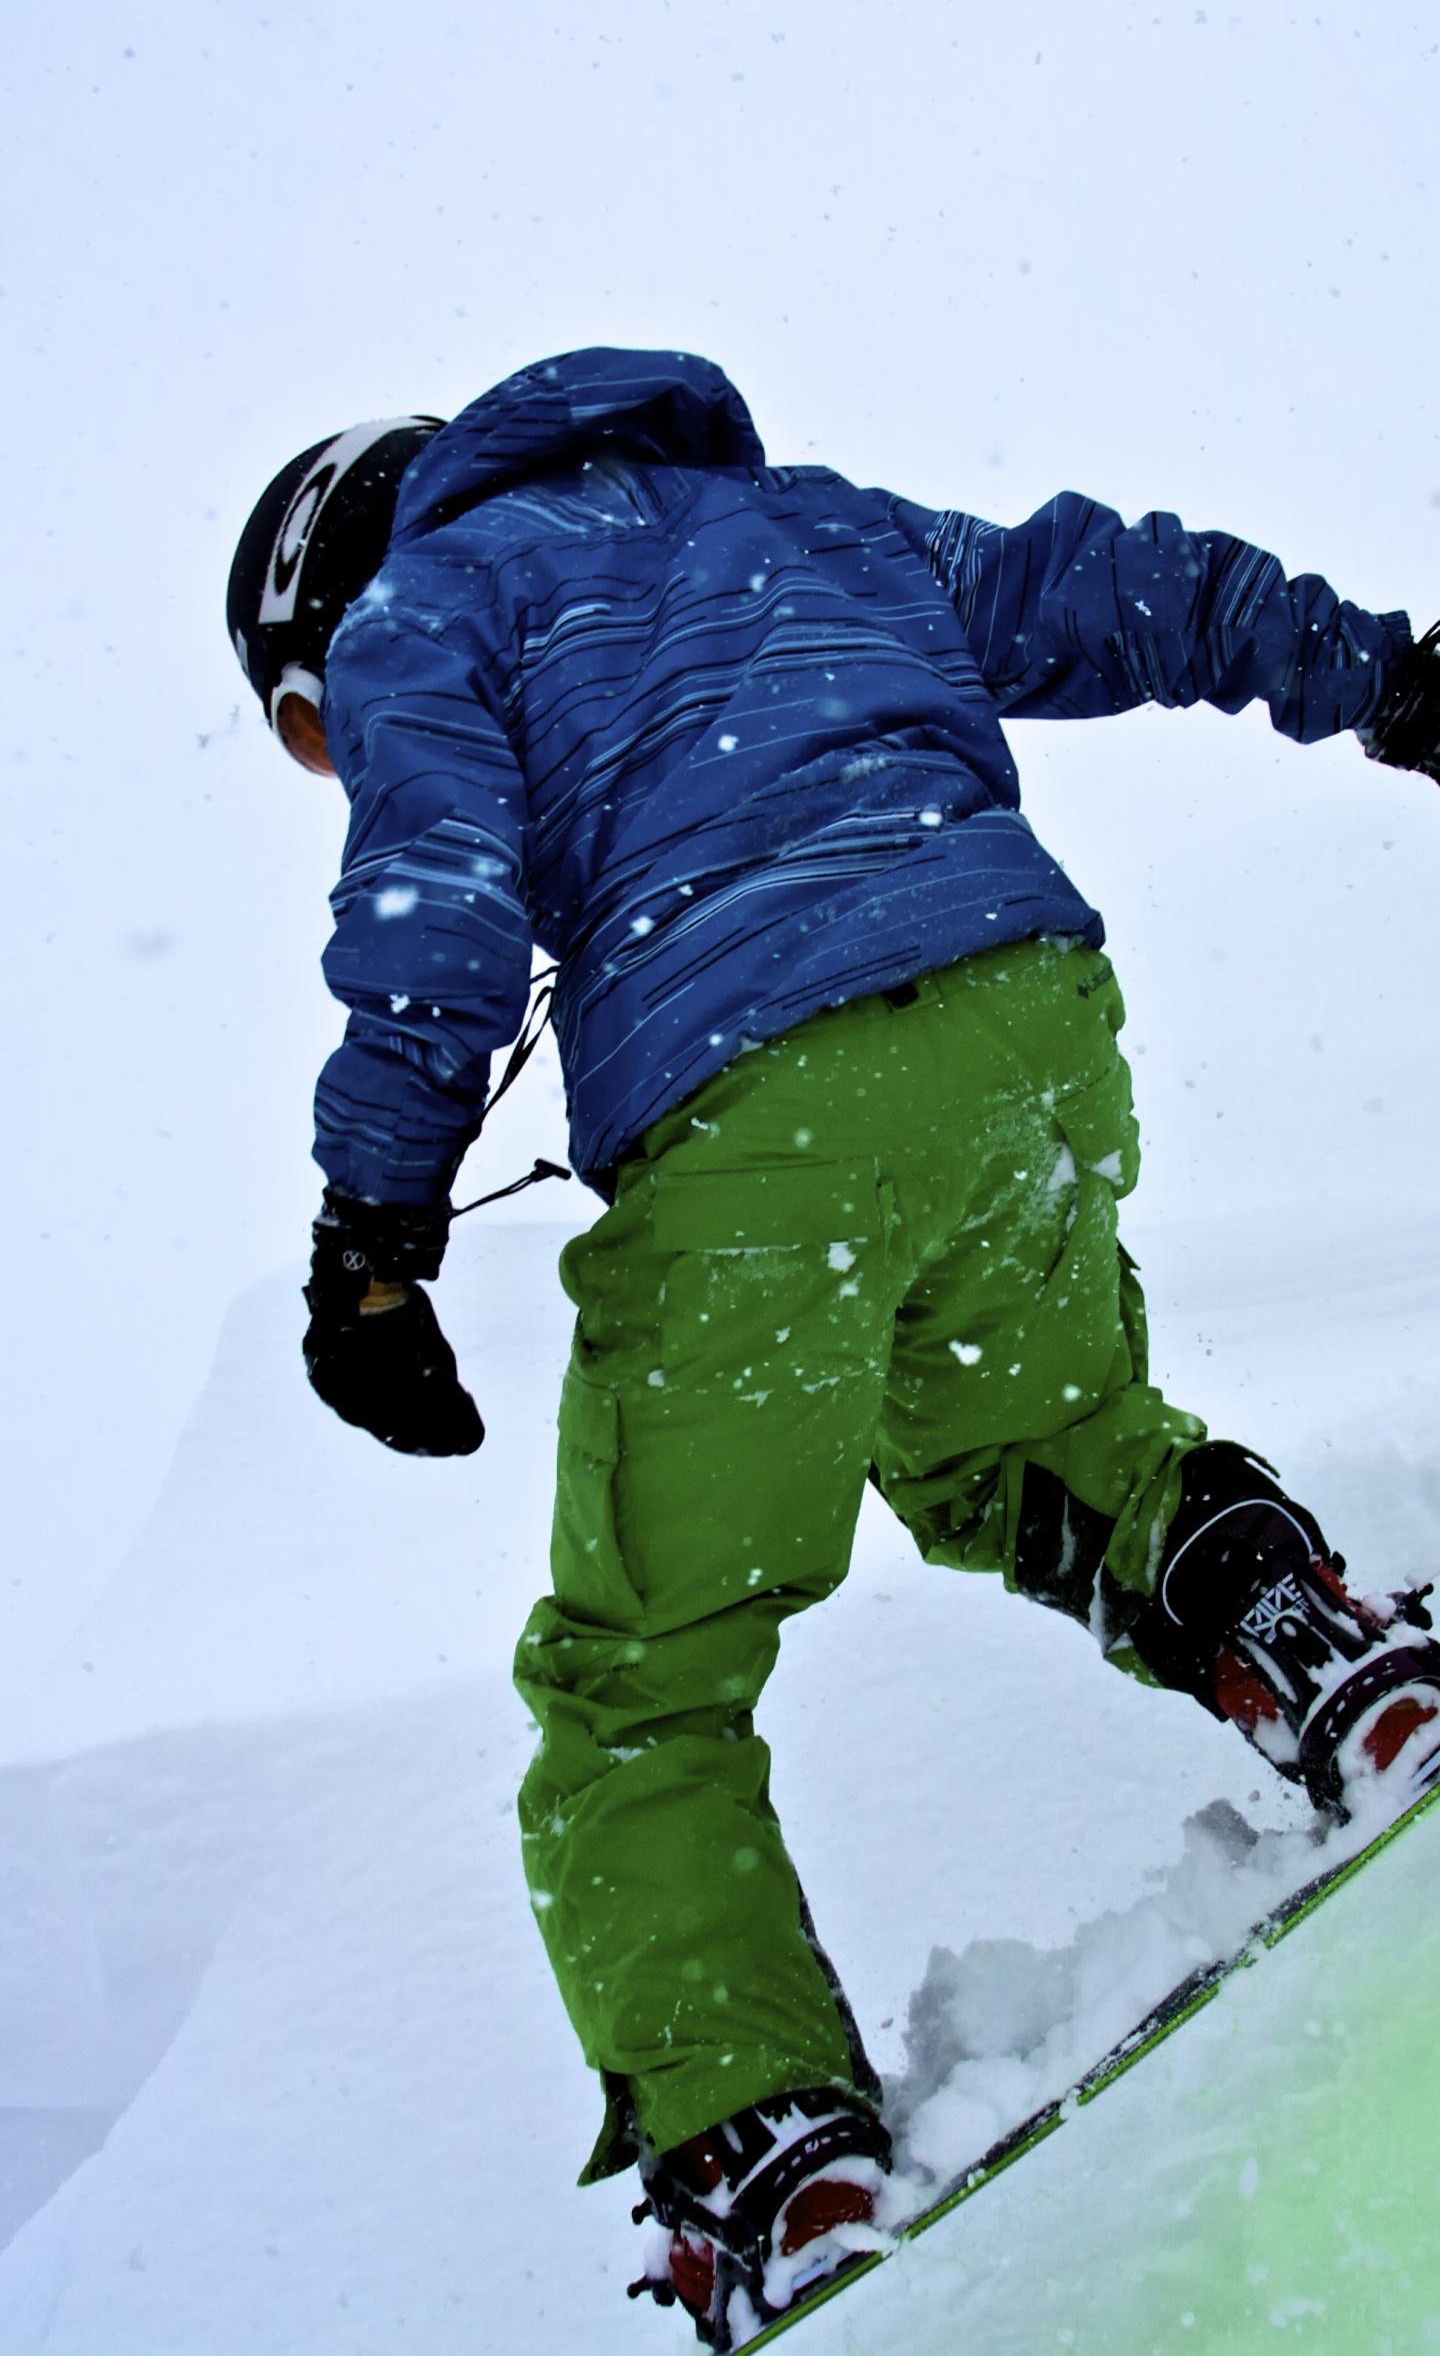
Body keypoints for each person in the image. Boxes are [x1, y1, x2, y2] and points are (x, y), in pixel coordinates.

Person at [228, 348, 1440, 2351]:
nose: (337, 753)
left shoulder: (423, 606)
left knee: (641, 1682)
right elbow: (1111, 587)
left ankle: (765, 2142)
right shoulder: (806, 520)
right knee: (1045, 1439)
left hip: (747, 1107)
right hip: (1014, 1010)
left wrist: (372, 1240)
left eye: (307, 730)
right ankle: (1324, 1650)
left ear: (323, 613)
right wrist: (1380, 672)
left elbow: (437, 904)